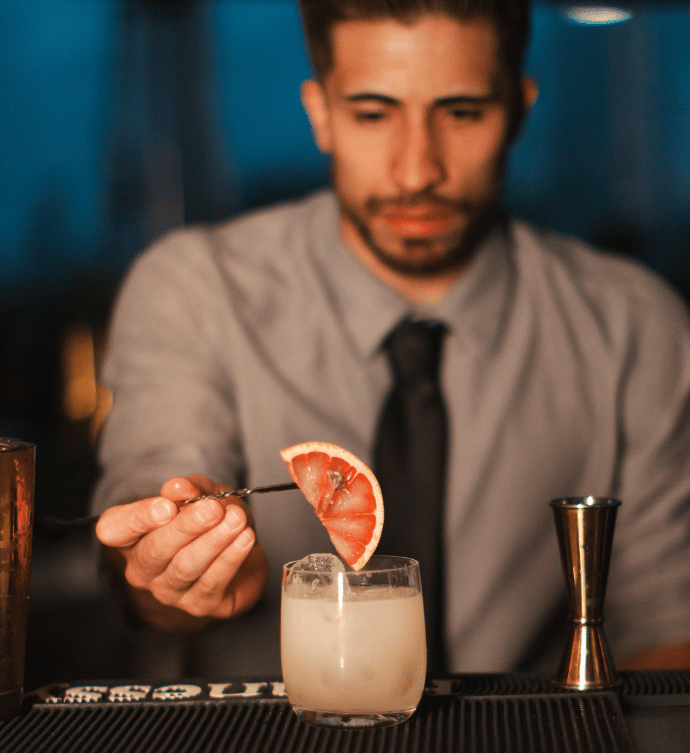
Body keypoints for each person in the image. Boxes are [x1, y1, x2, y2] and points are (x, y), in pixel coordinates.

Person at [93, 0, 690, 678]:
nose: (415, 171)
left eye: (461, 112)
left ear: (519, 110)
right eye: (373, 114)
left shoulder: (636, 325)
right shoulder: (193, 288)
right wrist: (176, 567)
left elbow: (669, 628)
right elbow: (142, 532)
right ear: (320, 113)